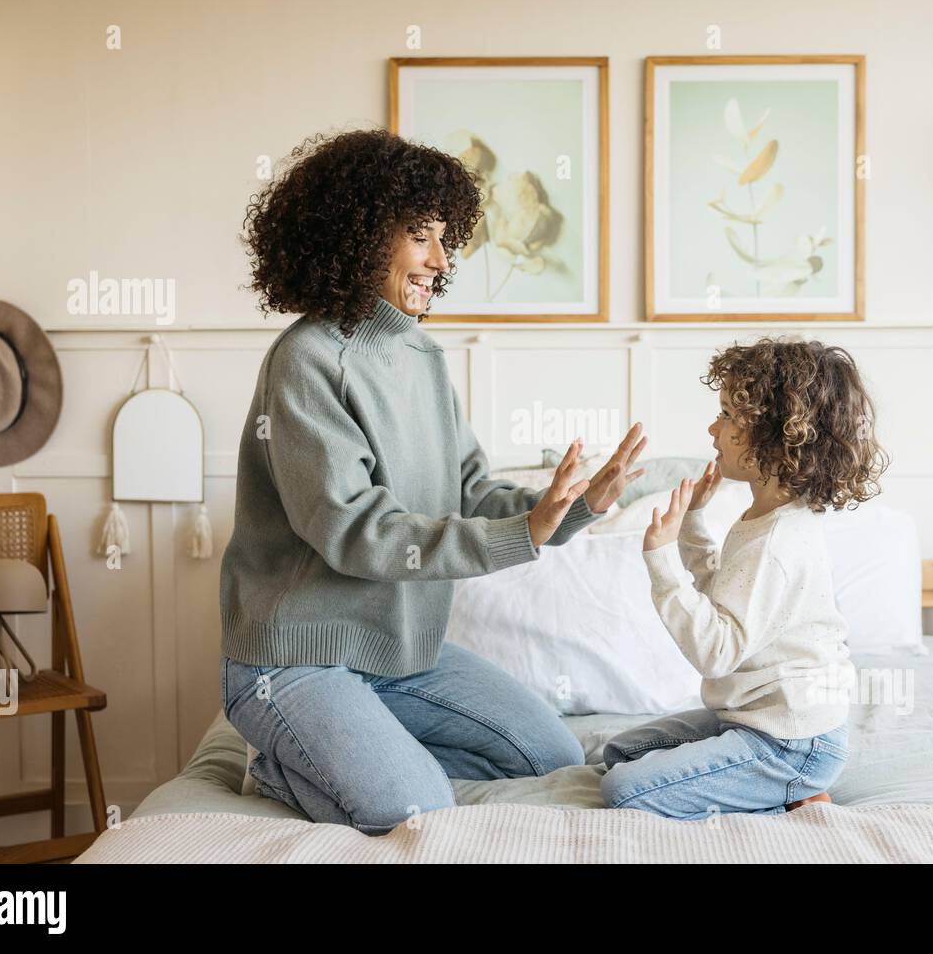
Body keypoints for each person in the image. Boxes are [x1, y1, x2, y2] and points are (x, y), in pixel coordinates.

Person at [219, 128, 646, 834]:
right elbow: (357, 532)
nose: (441, 261)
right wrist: (521, 534)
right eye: (421, 237)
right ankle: (278, 766)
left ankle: (357, 743)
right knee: (413, 806)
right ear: (357, 235)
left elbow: (473, 490)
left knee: (553, 752)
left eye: (445, 239)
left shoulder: (422, 356)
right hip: (294, 658)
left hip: (400, 652)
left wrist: (574, 507)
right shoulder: (306, 360)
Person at [600, 337, 889, 820]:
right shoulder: (765, 516)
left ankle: (791, 794)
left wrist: (661, 558)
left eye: (729, 416)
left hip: (791, 742)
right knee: (621, 753)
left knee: (623, 792)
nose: (713, 428)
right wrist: (693, 524)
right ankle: (764, 786)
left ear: (777, 435)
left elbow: (716, 651)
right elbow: (722, 600)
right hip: (750, 718)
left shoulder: (778, 541)